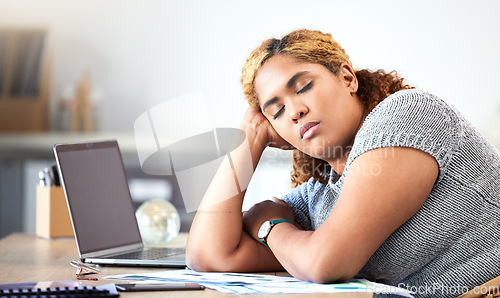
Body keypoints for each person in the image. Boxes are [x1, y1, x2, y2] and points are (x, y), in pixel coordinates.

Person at [186, 29, 500, 297]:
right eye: (276, 111)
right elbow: (208, 254)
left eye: (304, 87)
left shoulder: (408, 114)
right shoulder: (319, 195)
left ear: (347, 78)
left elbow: (324, 262)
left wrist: (270, 227)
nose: (295, 111)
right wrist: (249, 140)